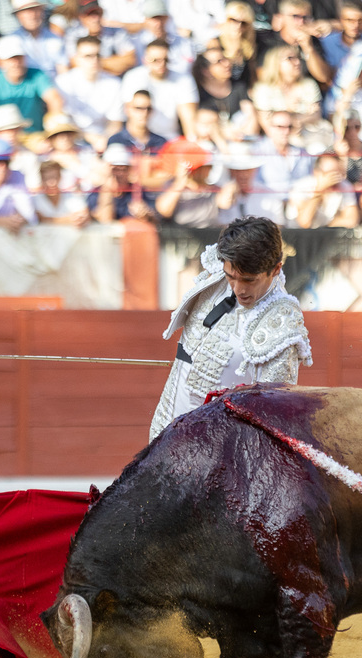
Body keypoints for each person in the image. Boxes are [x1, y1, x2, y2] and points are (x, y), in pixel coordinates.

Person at [149, 215, 312, 441]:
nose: (238, 289)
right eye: (231, 277)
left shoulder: (281, 326)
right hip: (166, 426)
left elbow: (271, 417)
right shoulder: (218, 270)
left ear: (275, 269)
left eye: (248, 280)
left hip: (219, 449)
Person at [120, 37, 199, 140]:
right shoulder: (133, 77)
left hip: (169, 140)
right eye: (155, 60)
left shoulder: (183, 79)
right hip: (138, 139)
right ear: (145, 60)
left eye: (165, 60)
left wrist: (192, 143)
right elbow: (131, 112)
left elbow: (189, 120)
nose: (161, 64)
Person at [55, 34, 123, 152]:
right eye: (88, 56)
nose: (94, 60)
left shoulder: (114, 83)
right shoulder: (63, 82)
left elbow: (116, 123)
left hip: (106, 141)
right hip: (72, 140)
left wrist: (103, 140)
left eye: (97, 55)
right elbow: (62, 119)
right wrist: (89, 137)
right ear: (76, 58)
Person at [0, 34, 61, 133]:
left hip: (35, 136)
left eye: (19, 57)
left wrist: (53, 127)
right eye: (10, 59)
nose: (15, 63)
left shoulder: (37, 75)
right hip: (4, 137)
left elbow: (54, 99)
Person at [257, 0, 332, 87]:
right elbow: (261, 76)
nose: (301, 22)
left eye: (305, 17)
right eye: (295, 16)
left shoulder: (313, 42)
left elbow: (324, 77)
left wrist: (308, 48)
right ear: (281, 18)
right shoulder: (268, 41)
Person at [251, 110, 314, 214]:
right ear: (269, 127)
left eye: (289, 127)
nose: (286, 131)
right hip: (267, 208)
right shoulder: (256, 150)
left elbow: (308, 181)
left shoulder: (303, 153)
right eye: (280, 127)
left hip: (296, 207)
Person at [252, 44, 324, 132]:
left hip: (308, 134)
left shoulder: (308, 85)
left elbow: (316, 115)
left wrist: (289, 120)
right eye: (290, 58)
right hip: (276, 137)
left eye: (298, 57)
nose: (297, 62)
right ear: (275, 62)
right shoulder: (263, 89)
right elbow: (265, 121)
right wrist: (299, 118)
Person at [195, 40, 257, 142]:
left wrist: (242, 134)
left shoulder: (238, 87)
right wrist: (226, 134)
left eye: (225, 59)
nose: (227, 64)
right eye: (219, 61)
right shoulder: (198, 93)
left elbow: (252, 118)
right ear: (205, 71)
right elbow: (202, 128)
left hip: (242, 142)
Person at [63, 0, 137, 77]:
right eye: (90, 14)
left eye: (97, 13)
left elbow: (130, 60)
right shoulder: (73, 34)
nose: (95, 19)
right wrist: (114, 64)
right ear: (81, 17)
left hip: (114, 80)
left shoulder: (117, 31)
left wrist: (93, 63)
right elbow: (75, 64)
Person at [155, 140, 220, 226]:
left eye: (209, 167)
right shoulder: (172, 185)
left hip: (209, 235)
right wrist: (180, 183)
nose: (209, 170)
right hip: (181, 236)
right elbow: (164, 210)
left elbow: (225, 203)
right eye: (204, 167)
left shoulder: (213, 189)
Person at [288, 150, 361, 228]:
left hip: (327, 235)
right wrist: (319, 191)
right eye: (330, 173)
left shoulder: (344, 185)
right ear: (316, 172)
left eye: (338, 172)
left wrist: (326, 224)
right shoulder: (301, 187)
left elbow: (352, 221)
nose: (335, 177)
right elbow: (304, 222)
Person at [216, 145, 285, 224]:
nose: (243, 175)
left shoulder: (269, 195)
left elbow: (277, 227)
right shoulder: (223, 195)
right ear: (231, 171)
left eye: (247, 170)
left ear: (254, 170)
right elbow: (220, 226)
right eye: (238, 170)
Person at [89, 142, 157, 222]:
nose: (119, 173)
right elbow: (105, 220)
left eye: (123, 169)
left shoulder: (138, 192)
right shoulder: (96, 193)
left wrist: (145, 215)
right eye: (115, 169)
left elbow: (155, 220)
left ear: (129, 170)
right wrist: (107, 190)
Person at [136, 0, 196, 74]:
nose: (158, 24)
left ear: (167, 18)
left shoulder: (183, 42)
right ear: (145, 20)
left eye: (161, 18)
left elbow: (188, 67)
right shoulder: (138, 42)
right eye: (154, 19)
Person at [12, 0, 66, 76]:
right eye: (27, 11)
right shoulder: (11, 41)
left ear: (43, 12)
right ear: (18, 15)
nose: (32, 15)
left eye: (36, 10)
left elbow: (63, 69)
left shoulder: (55, 38)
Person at [217, 0, 260, 89]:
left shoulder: (249, 47)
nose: (238, 26)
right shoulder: (215, 44)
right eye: (233, 20)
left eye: (243, 23)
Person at [33, 159, 90, 225]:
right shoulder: (35, 199)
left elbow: (84, 215)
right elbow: (38, 218)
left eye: (55, 177)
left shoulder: (73, 196)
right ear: (41, 179)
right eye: (47, 178)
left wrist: (48, 219)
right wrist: (69, 219)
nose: (52, 183)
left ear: (60, 176)